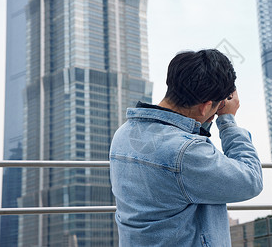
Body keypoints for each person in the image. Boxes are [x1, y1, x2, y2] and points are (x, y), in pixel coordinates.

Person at [109, 49, 263, 246]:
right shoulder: (185, 153)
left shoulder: (124, 133)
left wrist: (205, 118)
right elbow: (251, 180)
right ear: (205, 107)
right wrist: (227, 120)